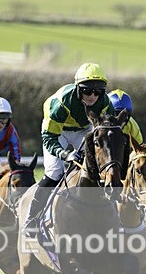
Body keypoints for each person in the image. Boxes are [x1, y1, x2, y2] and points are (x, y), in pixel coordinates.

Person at [23, 62, 115, 237]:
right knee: (54, 172)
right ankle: (31, 218)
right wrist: (65, 154)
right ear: (78, 89)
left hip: (84, 129)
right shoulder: (61, 103)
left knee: (99, 169)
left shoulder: (105, 103)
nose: (92, 96)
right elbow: (49, 137)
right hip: (58, 132)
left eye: (98, 92)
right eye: (87, 91)